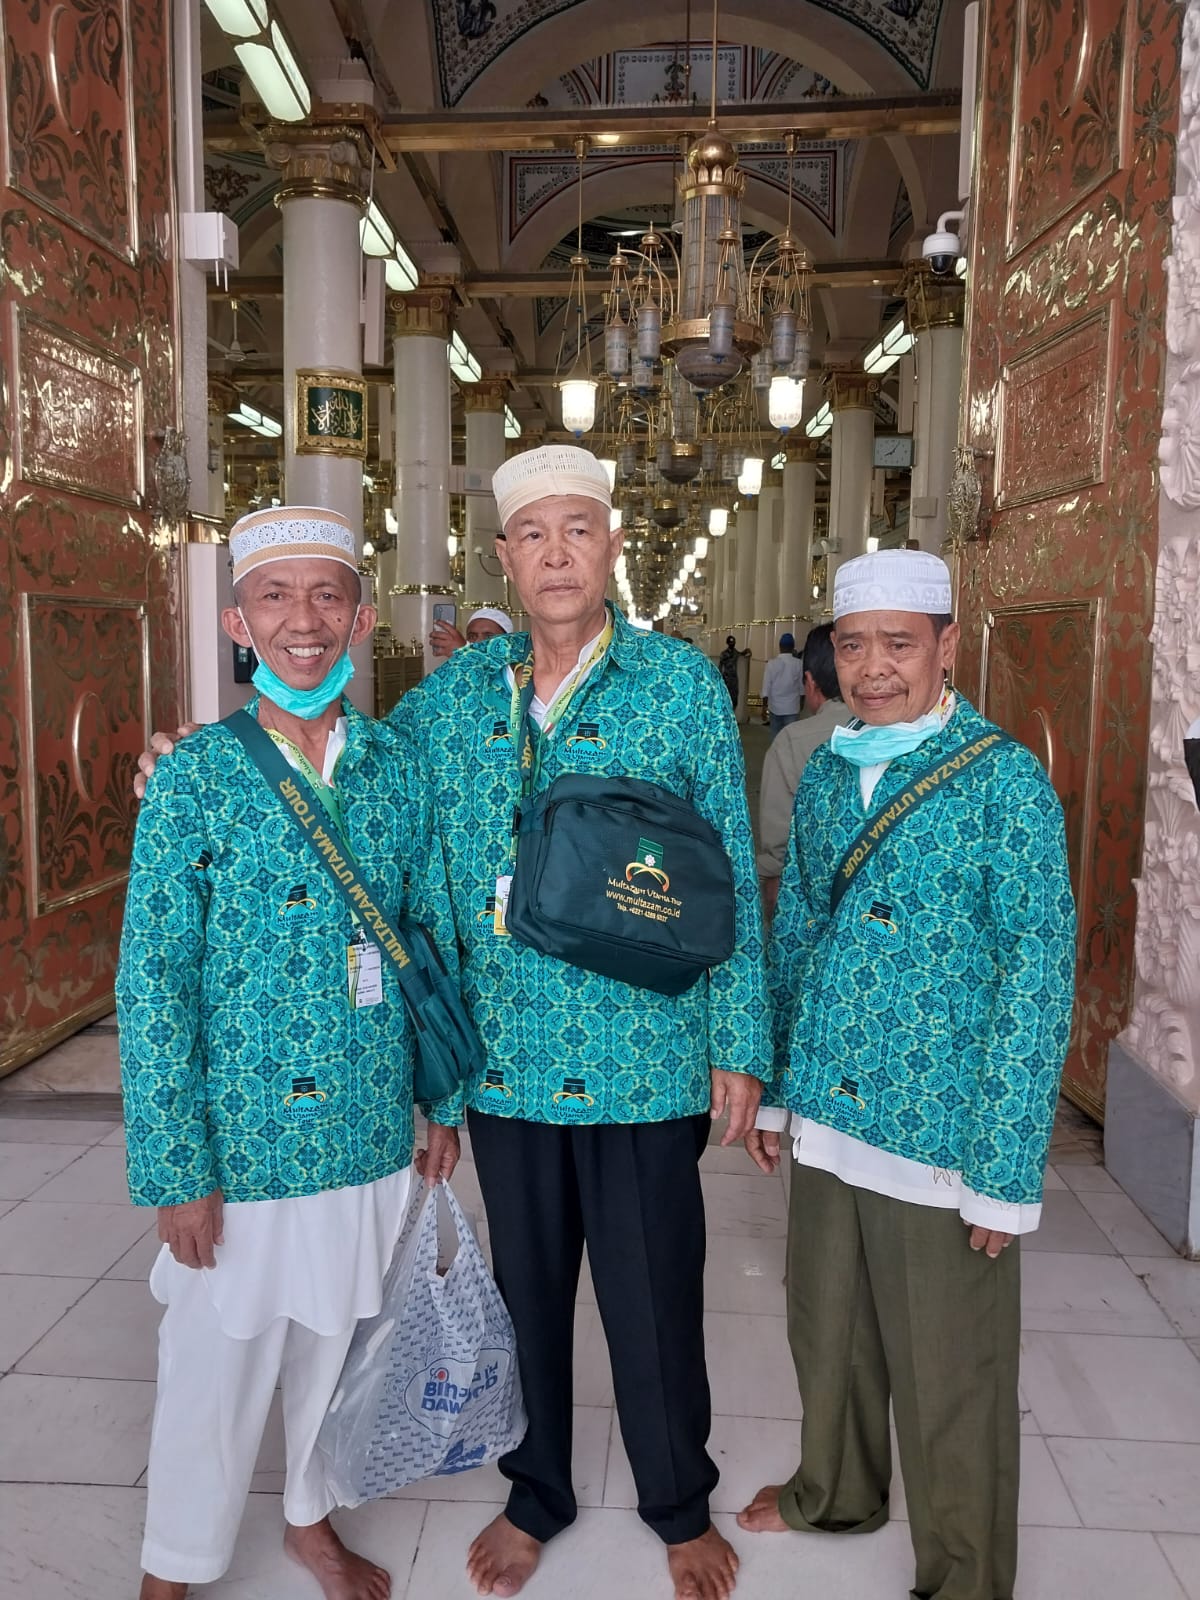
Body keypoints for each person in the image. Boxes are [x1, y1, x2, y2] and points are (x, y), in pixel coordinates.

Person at [390, 445, 769, 1600]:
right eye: (533, 535)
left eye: (578, 531)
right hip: (506, 1062)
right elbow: (354, 780)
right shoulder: (455, 696)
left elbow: (731, 871)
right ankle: (537, 1490)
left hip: (645, 1053)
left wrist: (739, 1041)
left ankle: (678, 1500)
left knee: (654, 1294)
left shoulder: (677, 684)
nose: (556, 555)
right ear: (502, 558)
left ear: (612, 546)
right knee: (527, 1291)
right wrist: (212, 752)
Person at [120, 506, 462, 1600]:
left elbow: (428, 936)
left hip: (366, 1121)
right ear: (239, 622)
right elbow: (153, 982)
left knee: (337, 1341)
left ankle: (311, 1518)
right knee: (214, 1361)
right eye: (274, 596)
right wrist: (178, 1168)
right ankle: (175, 1564)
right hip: (244, 1135)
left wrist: (441, 1101)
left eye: (326, 595)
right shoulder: (196, 777)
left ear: (361, 618)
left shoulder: (397, 767)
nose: (301, 620)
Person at [737, 549, 1076, 1600]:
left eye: (898, 643)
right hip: (830, 1106)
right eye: (854, 645)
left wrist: (1005, 1170)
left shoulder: (1005, 782)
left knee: (950, 1367)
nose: (874, 668)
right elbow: (797, 933)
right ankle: (835, 1491)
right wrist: (778, 1089)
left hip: (941, 1130)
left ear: (947, 647)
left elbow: (1037, 977)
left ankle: (965, 1574)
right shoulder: (829, 769)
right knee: (827, 1329)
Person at [756, 623, 852, 917]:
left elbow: (778, 849)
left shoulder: (792, 744)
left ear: (809, 682)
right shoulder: (902, 734)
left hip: (811, 903)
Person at [760, 633, 805, 740]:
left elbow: (766, 688)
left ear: (780, 646)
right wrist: (801, 704)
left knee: (776, 739)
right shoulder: (799, 664)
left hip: (775, 708)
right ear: (793, 647)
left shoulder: (771, 664)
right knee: (791, 739)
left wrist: (764, 708)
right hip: (792, 708)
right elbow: (802, 687)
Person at [431, 605, 514, 657]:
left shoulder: (515, 669)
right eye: (472, 636)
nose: (478, 641)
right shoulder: (457, 665)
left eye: (489, 636)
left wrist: (463, 653)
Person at [717, 634, 746, 707]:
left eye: (733, 642)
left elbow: (742, 654)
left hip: (734, 679)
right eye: (730, 642)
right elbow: (720, 666)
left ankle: (733, 710)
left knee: (735, 697)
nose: (732, 644)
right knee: (726, 696)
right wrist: (720, 677)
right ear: (727, 643)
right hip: (726, 678)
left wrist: (747, 651)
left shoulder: (736, 652)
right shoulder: (724, 654)